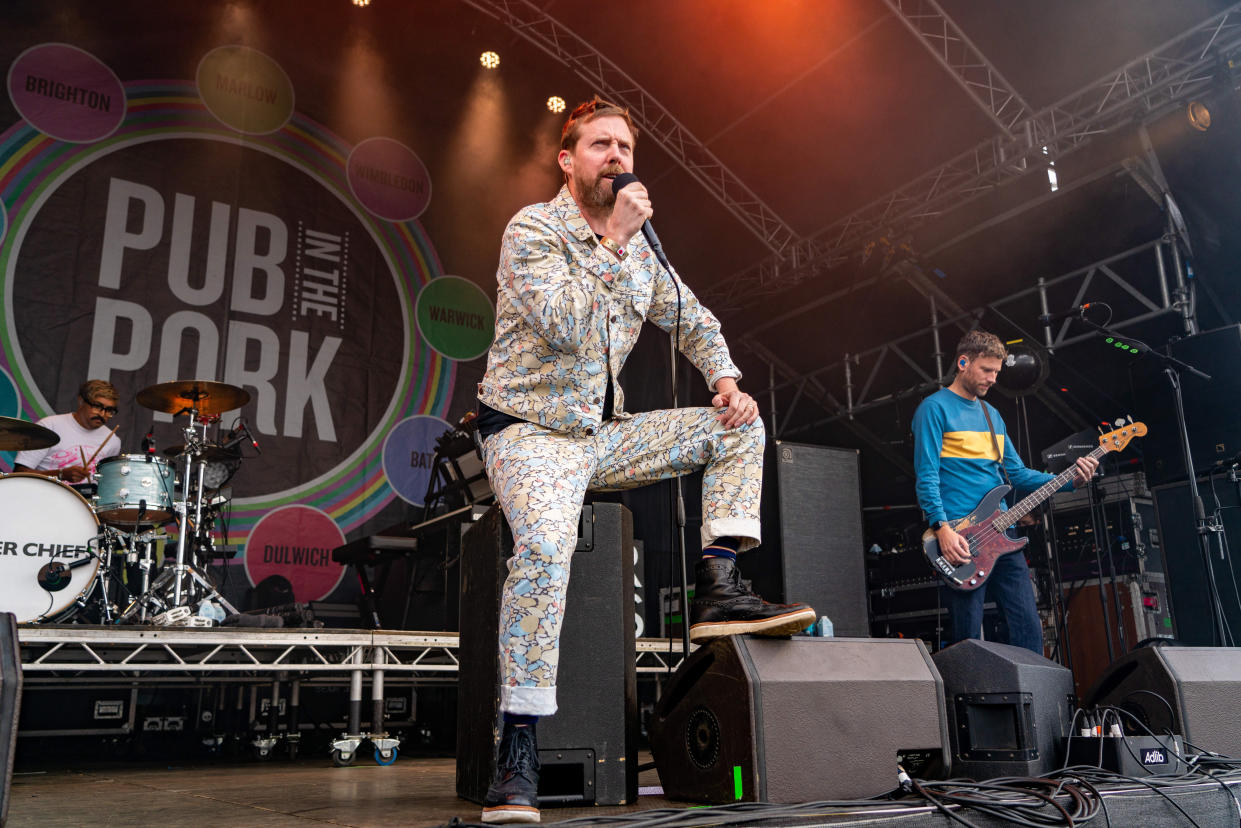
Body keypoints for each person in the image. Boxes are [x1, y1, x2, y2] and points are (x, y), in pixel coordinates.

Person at [472, 97, 815, 824]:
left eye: (625, 147)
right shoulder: (533, 229)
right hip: (529, 434)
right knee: (543, 546)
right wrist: (615, 245)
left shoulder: (641, 251)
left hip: (601, 433)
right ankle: (519, 747)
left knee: (736, 426)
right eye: (600, 145)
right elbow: (565, 324)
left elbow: (692, 317)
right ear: (568, 160)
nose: (617, 158)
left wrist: (723, 377)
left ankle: (719, 583)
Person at [913, 330, 1097, 655]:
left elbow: (1019, 474)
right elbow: (926, 476)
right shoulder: (934, 409)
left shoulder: (991, 416)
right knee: (967, 636)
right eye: (986, 370)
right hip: (960, 539)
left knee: (1029, 628)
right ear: (963, 362)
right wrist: (941, 528)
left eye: (997, 372)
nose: (993, 379)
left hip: (1003, 537)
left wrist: (1072, 480)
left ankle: (1035, 700)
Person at [13, 379, 122, 484]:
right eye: (97, 406)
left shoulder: (112, 441)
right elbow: (19, 473)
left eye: (109, 410)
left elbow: (107, 483)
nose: (102, 414)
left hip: (84, 502)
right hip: (43, 497)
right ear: (81, 401)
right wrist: (60, 474)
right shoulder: (49, 426)